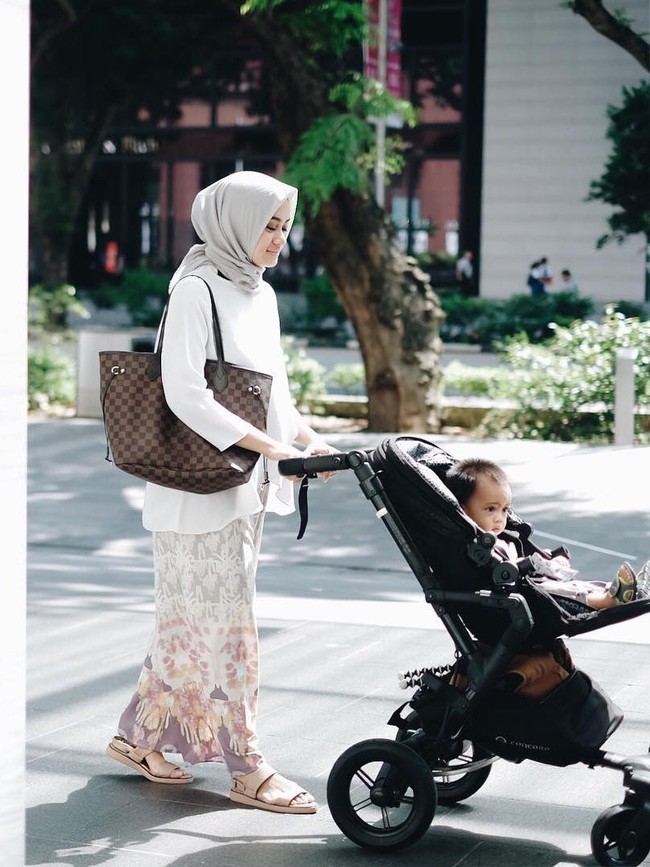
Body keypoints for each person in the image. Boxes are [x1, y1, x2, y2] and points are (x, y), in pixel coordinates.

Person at [105, 171, 336, 814]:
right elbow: (185, 393)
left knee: (188, 623)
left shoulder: (260, 293)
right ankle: (247, 765)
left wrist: (308, 439)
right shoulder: (196, 290)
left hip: (243, 486)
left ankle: (136, 737)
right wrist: (271, 448)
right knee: (227, 628)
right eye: (268, 226)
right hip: (196, 492)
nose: (278, 239)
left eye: (284, 227)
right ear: (233, 223)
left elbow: (272, 390)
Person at [445, 458, 648, 611]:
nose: (500, 518)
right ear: (463, 510)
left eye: (505, 509)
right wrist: (532, 565)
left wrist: (550, 561)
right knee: (557, 590)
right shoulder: (477, 547)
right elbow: (500, 573)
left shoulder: (502, 538)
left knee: (574, 585)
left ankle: (626, 591)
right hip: (517, 599)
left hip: (533, 585)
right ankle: (609, 600)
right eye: (490, 509)